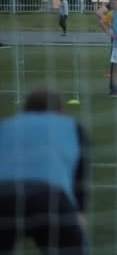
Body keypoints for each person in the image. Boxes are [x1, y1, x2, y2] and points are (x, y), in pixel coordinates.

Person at [0, 88, 90, 254]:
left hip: (4, 196)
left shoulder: (6, 126)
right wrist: (80, 214)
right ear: (60, 110)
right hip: (49, 198)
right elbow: (80, 179)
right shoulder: (72, 127)